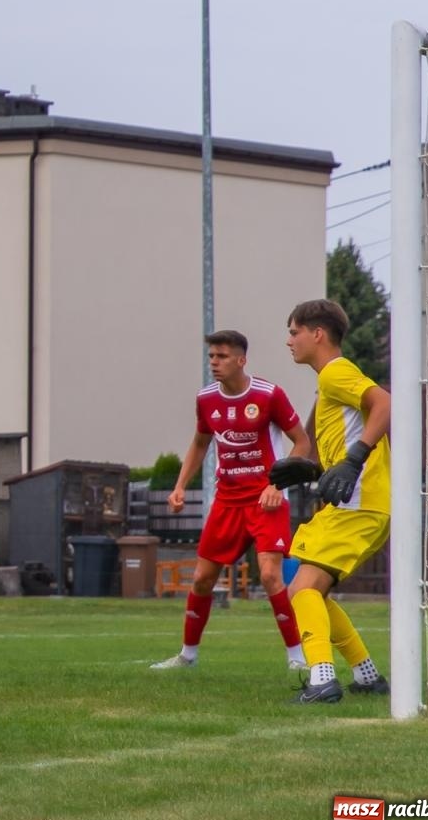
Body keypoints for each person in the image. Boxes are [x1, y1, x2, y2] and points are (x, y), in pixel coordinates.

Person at [151, 331, 312, 672]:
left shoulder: (269, 395)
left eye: (222, 356)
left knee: (270, 575)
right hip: (227, 501)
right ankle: (187, 656)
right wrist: (180, 485)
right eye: (211, 356)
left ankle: (297, 657)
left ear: (241, 360)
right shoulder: (206, 399)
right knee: (201, 579)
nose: (214, 363)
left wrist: (276, 484)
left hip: (266, 500)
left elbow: (302, 443)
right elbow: (199, 443)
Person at [271, 299, 393, 704]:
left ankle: (323, 680)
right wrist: (314, 471)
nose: (289, 341)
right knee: (312, 590)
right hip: (358, 505)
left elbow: (384, 404)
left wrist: (355, 459)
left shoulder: (335, 373)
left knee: (301, 588)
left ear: (317, 334)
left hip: (360, 505)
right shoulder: (329, 382)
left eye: (294, 332)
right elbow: (344, 447)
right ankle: (367, 674)